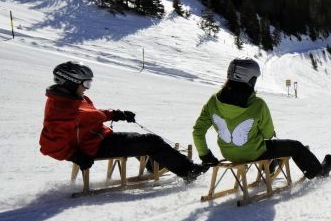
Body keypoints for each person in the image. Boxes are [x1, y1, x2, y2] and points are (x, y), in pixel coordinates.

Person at [39, 61, 207, 181]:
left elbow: (90, 115)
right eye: (86, 83)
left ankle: (154, 165)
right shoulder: (60, 109)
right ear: (71, 83)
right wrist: (75, 156)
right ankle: (188, 171)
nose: (87, 87)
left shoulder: (75, 98)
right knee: (152, 141)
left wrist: (116, 114)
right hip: (91, 148)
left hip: (100, 138)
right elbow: (48, 145)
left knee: (137, 138)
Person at [192, 58, 331, 179]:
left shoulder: (213, 102)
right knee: (295, 146)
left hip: (228, 154)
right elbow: (267, 134)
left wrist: (205, 156)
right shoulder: (257, 104)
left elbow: (198, 132)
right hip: (255, 153)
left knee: (271, 147)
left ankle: (271, 163)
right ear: (250, 80)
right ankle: (318, 172)